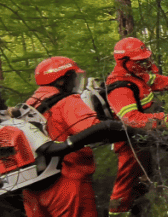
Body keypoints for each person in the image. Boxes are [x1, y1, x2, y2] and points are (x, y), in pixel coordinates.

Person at [106, 37, 168, 217]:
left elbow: (157, 81)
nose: (144, 63)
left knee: (144, 178)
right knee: (125, 184)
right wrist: (164, 119)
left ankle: (141, 208)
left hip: (143, 138)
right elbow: (131, 119)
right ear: (124, 61)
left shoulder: (136, 75)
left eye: (144, 58)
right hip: (130, 143)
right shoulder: (119, 87)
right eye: (139, 60)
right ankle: (117, 213)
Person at [21, 57, 120, 217]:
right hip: (67, 182)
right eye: (73, 77)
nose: (75, 82)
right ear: (61, 80)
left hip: (32, 189)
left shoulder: (29, 104)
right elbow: (95, 129)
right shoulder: (67, 101)